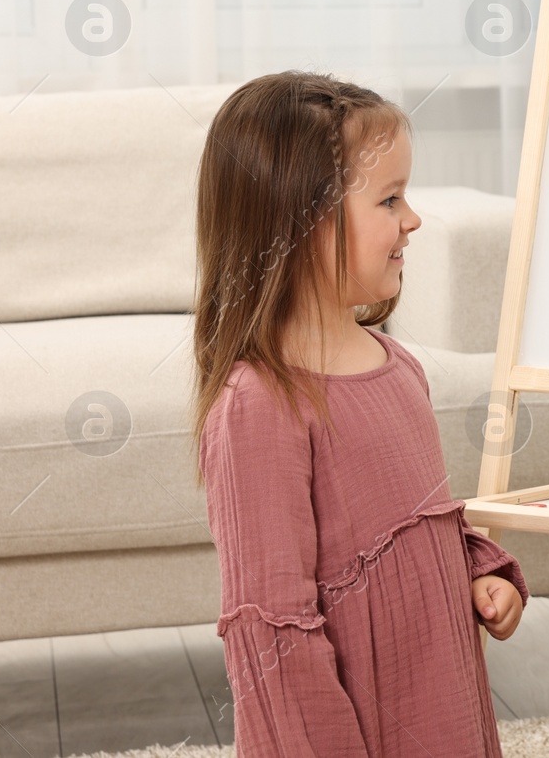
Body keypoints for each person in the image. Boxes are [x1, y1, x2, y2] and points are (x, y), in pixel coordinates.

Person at [190, 72, 527, 757]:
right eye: (390, 198)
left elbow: (428, 528)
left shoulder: (400, 370)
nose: (414, 218)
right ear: (303, 223)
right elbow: (274, 635)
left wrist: (481, 573)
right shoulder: (258, 407)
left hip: (444, 716)